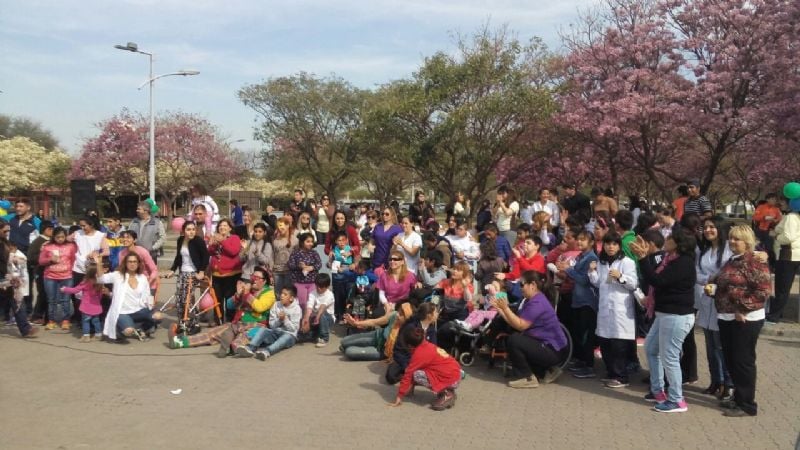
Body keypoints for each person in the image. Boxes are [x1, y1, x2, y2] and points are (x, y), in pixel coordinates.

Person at [630, 228, 697, 413]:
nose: (665, 240)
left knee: (670, 356)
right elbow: (654, 279)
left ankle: (677, 400)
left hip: (677, 316)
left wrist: (643, 258)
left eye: (669, 238)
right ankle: (658, 391)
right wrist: (644, 257)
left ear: (678, 243)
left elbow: (657, 281)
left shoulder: (683, 263)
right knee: (652, 349)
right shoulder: (669, 260)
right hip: (664, 314)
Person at [708, 225, 771, 417]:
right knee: (731, 359)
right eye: (731, 238)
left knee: (743, 361)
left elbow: (763, 291)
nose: (732, 242)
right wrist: (713, 288)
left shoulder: (755, 262)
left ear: (748, 242)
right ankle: (737, 398)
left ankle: (747, 404)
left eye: (737, 239)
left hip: (745, 319)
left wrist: (741, 308)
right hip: (726, 316)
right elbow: (726, 285)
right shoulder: (732, 260)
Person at [169, 269, 275, 354]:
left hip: (256, 325)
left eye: (257, 278)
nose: (253, 280)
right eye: (252, 277)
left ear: (264, 281)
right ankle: (179, 342)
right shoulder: (247, 290)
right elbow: (229, 305)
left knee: (242, 337)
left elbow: (260, 307)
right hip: (237, 323)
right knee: (211, 334)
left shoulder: (269, 293)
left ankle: (232, 347)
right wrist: (237, 295)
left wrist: (246, 294)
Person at [499, 271, 569, 388]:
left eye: (522, 284)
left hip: (553, 350)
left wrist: (505, 308)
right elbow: (515, 322)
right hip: (544, 345)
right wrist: (501, 309)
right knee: (515, 337)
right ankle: (546, 371)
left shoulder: (538, 302)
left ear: (533, 285)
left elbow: (520, 325)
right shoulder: (529, 300)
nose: (520, 288)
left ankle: (527, 377)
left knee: (515, 340)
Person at [589, 232, 639, 388]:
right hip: (604, 308)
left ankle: (621, 376)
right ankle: (611, 372)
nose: (611, 247)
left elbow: (633, 284)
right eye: (608, 244)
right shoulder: (601, 262)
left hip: (620, 309)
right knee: (605, 342)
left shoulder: (627, 262)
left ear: (619, 246)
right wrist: (592, 271)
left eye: (614, 244)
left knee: (619, 344)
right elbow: (599, 283)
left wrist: (620, 276)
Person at [694, 216, 734, 400]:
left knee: (721, 346)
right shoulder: (705, 250)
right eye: (706, 227)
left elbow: (727, 274)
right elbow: (697, 273)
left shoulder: (728, 250)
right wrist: (707, 279)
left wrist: (712, 278)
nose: (708, 230)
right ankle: (715, 381)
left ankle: (728, 384)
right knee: (710, 346)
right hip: (706, 300)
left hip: (722, 303)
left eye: (712, 227)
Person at [388, 325, 462, 411]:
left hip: (451, 379)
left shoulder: (419, 353)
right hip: (455, 373)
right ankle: (410, 388)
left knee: (415, 374)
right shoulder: (426, 345)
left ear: (409, 345)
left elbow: (408, 374)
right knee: (415, 370)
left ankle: (447, 393)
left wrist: (399, 396)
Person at [560, 230, 599, 379]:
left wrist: (568, 269)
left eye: (583, 240)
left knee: (586, 335)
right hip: (578, 300)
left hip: (587, 302)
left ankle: (589, 365)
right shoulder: (581, 256)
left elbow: (584, 280)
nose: (580, 242)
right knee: (579, 332)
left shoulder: (591, 258)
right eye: (579, 239)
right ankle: (582, 361)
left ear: (591, 243)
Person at [100, 252, 163, 341]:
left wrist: (151, 303)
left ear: (138, 264)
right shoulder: (117, 275)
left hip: (138, 310)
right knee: (128, 331)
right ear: (125, 263)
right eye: (130, 262)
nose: (132, 264)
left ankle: (141, 329)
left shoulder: (142, 278)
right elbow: (100, 278)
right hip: (122, 312)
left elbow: (148, 295)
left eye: (134, 262)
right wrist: (98, 263)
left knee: (158, 316)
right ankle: (119, 330)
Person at [236, 285, 303, 360]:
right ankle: (250, 348)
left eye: (285, 294)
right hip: (275, 333)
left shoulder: (297, 309)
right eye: (281, 293)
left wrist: (285, 319)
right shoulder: (276, 305)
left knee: (286, 337)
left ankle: (267, 351)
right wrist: (279, 320)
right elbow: (272, 325)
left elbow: (293, 329)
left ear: (291, 298)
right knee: (263, 330)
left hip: (290, 336)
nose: (282, 296)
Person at [69, 215, 110, 324]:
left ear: (91, 225)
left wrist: (96, 254)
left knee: (93, 294)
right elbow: (67, 239)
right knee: (77, 294)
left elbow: (106, 251)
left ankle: (95, 317)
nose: (82, 228)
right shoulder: (78, 233)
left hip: (92, 269)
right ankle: (79, 318)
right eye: (80, 225)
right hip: (78, 268)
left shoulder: (100, 235)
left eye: (84, 225)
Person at [165, 220, 209, 319]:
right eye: (188, 230)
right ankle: (183, 319)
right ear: (183, 231)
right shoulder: (180, 240)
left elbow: (206, 257)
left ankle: (190, 319)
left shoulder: (198, 241)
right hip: (182, 272)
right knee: (180, 297)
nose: (191, 232)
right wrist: (172, 270)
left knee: (186, 297)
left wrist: (201, 271)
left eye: (193, 229)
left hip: (194, 273)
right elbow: (178, 257)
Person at [341, 301, 413, 361]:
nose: (398, 315)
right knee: (343, 342)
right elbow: (374, 322)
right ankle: (349, 346)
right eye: (399, 312)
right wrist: (356, 323)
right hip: (377, 335)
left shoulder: (407, 332)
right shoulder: (394, 315)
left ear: (407, 318)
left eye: (401, 315)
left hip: (381, 350)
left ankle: (352, 348)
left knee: (349, 351)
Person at [768, 198, 799, 323]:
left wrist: (775, 235)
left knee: (782, 288)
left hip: (787, 255)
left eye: (783, 202)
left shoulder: (791, 217)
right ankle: (776, 313)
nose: (780, 204)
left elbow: (788, 237)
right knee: (783, 288)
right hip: (794, 255)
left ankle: (774, 316)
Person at [208, 218, 243, 322]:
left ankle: (229, 321)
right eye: (220, 226)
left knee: (229, 300)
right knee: (217, 299)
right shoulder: (216, 238)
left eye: (225, 225)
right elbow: (210, 252)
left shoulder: (234, 238)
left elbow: (233, 251)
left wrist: (223, 241)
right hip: (216, 274)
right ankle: (218, 320)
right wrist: (212, 244)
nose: (222, 227)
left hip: (231, 274)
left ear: (230, 228)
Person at [60, 265, 104, 342]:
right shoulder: (100, 283)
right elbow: (100, 296)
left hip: (86, 306)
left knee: (85, 321)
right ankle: (98, 334)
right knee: (96, 321)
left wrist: (65, 289)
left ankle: (86, 336)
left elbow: (75, 290)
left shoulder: (85, 283)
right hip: (96, 306)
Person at [288, 232, 322, 314]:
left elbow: (319, 264)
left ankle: (310, 320)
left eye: (311, 241)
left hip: (312, 281)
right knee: (302, 303)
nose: (310, 243)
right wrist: (299, 266)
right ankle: (302, 319)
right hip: (299, 282)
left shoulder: (314, 253)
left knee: (311, 303)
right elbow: (290, 265)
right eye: (308, 241)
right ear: (302, 242)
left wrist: (312, 267)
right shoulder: (295, 253)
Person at [117, 230, 159, 295]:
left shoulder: (142, 251)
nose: (125, 239)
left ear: (135, 240)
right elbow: (122, 271)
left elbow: (154, 270)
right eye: (123, 237)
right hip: (131, 285)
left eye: (128, 237)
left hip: (148, 284)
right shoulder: (121, 254)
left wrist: (147, 283)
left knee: (146, 304)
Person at [28, 220, 53, 323]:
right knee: (42, 293)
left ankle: (47, 316)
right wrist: (43, 257)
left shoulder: (52, 240)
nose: (52, 231)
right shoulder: (38, 241)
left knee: (48, 294)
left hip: (51, 272)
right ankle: (37, 315)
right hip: (40, 271)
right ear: (44, 230)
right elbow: (31, 257)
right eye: (50, 229)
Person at [302, 273, 335, 347]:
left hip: (327, 319)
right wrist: (306, 319)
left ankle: (324, 338)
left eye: (321, 287)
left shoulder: (330, 295)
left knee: (322, 315)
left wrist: (318, 317)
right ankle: (314, 335)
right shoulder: (312, 293)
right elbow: (309, 306)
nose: (319, 289)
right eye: (317, 286)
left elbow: (323, 306)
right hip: (315, 319)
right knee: (305, 318)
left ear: (327, 287)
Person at [272, 216, 298, 302]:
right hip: (277, 271)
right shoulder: (275, 240)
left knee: (288, 294)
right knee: (278, 294)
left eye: (281, 225)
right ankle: (278, 313)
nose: (279, 228)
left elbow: (297, 256)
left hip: (289, 271)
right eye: (278, 226)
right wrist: (271, 270)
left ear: (288, 225)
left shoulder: (295, 240)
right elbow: (272, 255)